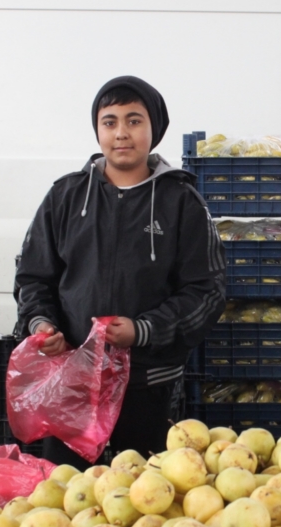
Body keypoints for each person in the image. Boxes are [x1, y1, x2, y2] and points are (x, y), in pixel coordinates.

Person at [14, 76, 226, 466]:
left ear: (154, 129)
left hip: (148, 384)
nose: (121, 133)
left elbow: (207, 290)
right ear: (97, 130)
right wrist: (41, 325)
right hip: (72, 383)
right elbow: (32, 276)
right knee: (64, 500)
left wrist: (143, 330)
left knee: (148, 499)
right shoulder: (65, 196)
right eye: (109, 122)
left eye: (134, 120)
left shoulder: (182, 202)